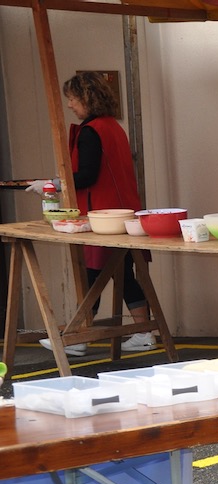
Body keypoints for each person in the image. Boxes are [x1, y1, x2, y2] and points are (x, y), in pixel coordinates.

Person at [33, 71, 154, 355]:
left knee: (92, 275)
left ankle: (78, 336)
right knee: (122, 273)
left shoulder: (91, 132)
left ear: (86, 98)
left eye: (73, 99)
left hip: (102, 213)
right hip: (123, 210)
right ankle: (143, 331)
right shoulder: (113, 127)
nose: (70, 105)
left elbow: (87, 175)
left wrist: (55, 184)